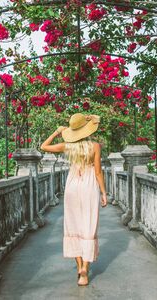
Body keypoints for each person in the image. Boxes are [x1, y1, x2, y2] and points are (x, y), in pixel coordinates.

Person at [40, 112, 108, 286]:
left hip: (72, 186)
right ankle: (85, 269)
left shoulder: (67, 146)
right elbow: (98, 172)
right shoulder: (95, 146)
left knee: (73, 225)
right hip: (89, 185)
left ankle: (79, 268)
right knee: (88, 225)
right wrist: (103, 192)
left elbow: (43, 146)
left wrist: (57, 132)